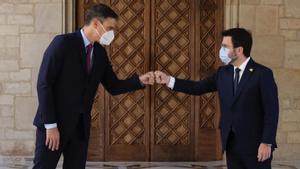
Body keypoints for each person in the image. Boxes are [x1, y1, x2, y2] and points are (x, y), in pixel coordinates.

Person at [33, 4, 155, 169]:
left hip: (80, 129)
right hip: (54, 126)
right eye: (110, 28)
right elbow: (44, 84)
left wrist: (140, 80)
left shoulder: (99, 54)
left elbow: (114, 86)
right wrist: (50, 125)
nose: (112, 33)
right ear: (96, 23)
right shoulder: (62, 43)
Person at [155, 28, 279, 169]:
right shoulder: (223, 73)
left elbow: (272, 112)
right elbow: (197, 88)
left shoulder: (262, 74)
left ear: (239, 50)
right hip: (231, 143)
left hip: (257, 145)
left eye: (225, 46)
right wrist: (168, 80)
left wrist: (266, 142)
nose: (221, 50)